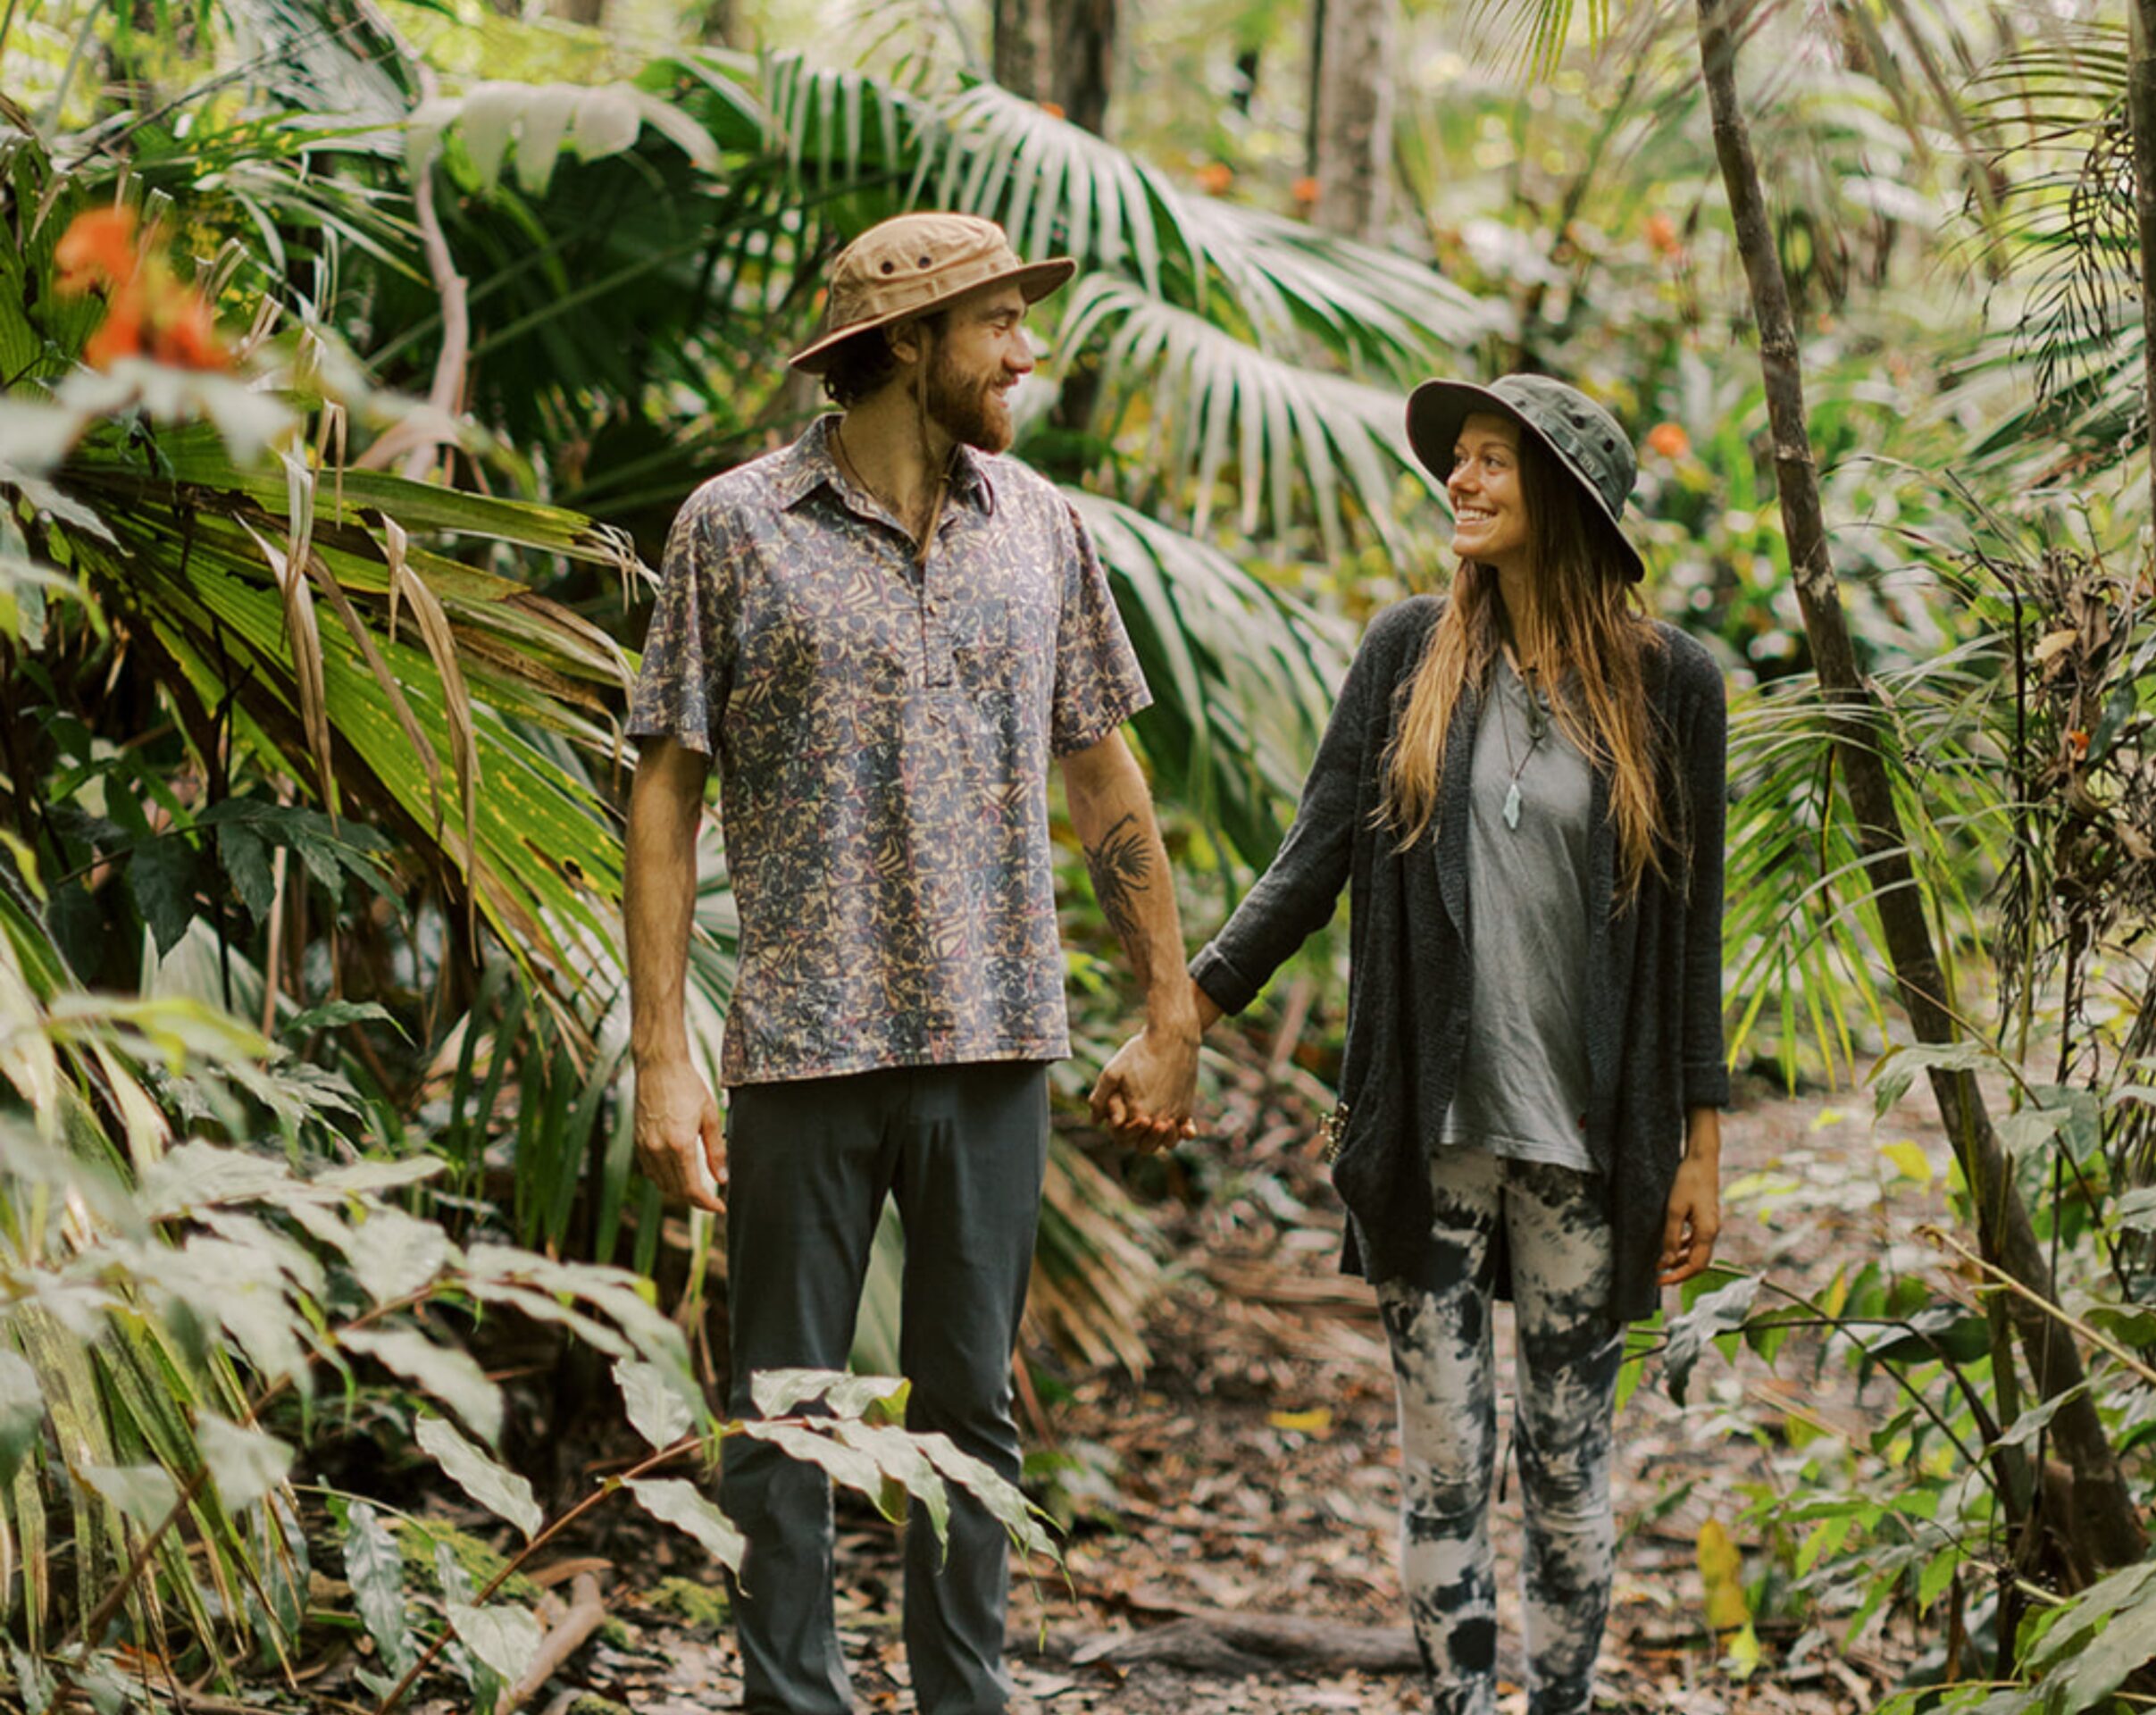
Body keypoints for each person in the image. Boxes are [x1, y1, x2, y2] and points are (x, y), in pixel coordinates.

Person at [623, 211, 1198, 1715]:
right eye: (997, 324)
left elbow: (1104, 775)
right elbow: (669, 791)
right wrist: (663, 1053)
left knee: (972, 1422)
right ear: (903, 345)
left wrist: (1168, 1004)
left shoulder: (1043, 527)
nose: (1026, 351)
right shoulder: (733, 527)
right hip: (804, 1046)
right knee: (785, 1426)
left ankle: (966, 1700)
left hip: (996, 1036)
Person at [1101, 372, 1727, 1715]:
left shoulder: (1674, 686)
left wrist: (1700, 1147)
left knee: (1567, 1465)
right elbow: (1314, 854)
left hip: (1589, 1139)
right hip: (1433, 1131)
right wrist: (1181, 1019)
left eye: (1498, 461)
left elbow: (1692, 939)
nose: (1465, 479)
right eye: (1462, 459)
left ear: (1564, 497)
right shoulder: (1406, 655)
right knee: (1444, 1458)